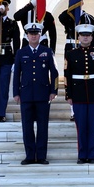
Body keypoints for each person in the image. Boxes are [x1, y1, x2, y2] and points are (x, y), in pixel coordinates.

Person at [13, 23, 59, 164]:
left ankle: (41, 156)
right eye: (31, 33)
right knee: (27, 126)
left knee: (42, 126)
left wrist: (54, 91)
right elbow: (16, 74)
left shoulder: (47, 51)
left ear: (40, 35)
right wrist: (16, 92)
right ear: (27, 36)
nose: (33, 35)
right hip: (26, 94)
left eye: (36, 33)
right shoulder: (21, 52)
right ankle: (29, 155)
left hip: (43, 94)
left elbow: (55, 73)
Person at [65, 22, 94, 163]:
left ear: (91, 37)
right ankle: (82, 155)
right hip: (78, 94)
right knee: (81, 126)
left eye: (88, 35)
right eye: (83, 35)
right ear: (78, 37)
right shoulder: (71, 54)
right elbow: (67, 76)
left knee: (93, 126)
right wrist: (68, 95)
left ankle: (92, 155)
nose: (85, 38)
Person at [58, 1, 94, 121]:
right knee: (70, 78)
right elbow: (61, 17)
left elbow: (93, 36)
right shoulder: (69, 16)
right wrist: (72, 6)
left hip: (85, 49)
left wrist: (93, 51)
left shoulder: (89, 17)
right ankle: (73, 111)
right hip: (71, 48)